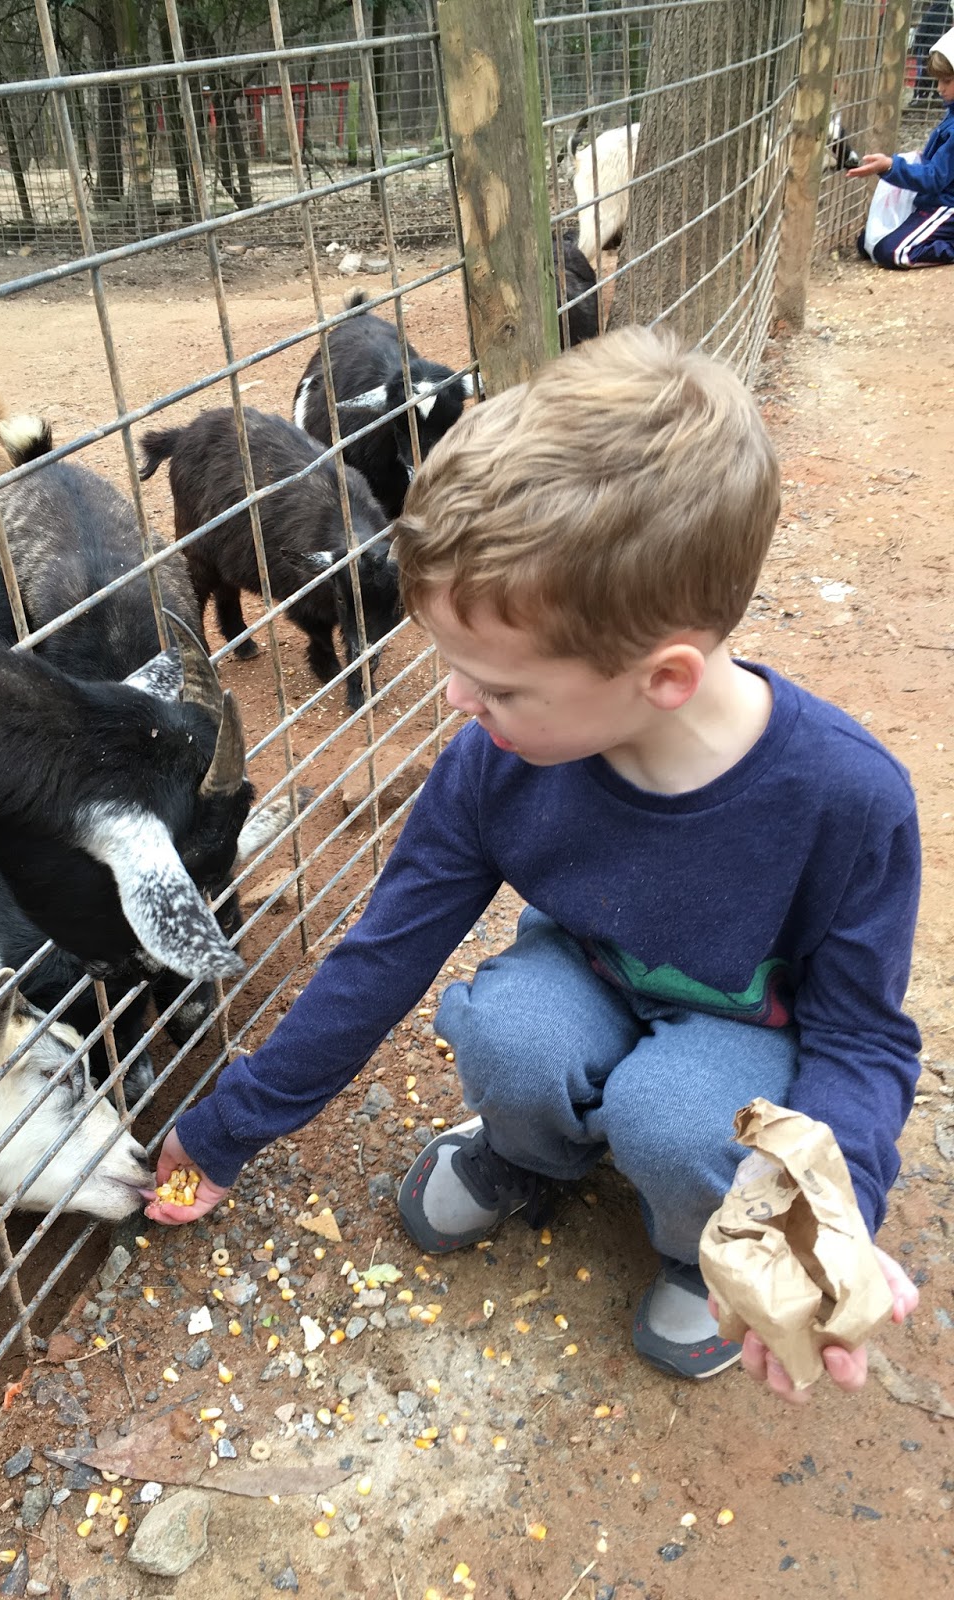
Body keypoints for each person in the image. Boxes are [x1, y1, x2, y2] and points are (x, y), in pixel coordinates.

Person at [146, 328, 921, 1402]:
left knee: (672, 1118)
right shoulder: (494, 763)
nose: (460, 704)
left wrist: (828, 1212)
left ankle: (702, 1242)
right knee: (510, 1031)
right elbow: (385, 953)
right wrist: (230, 1125)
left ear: (662, 678)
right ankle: (531, 1149)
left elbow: (863, 1035)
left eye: (498, 687)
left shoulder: (847, 799)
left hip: (744, 1029)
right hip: (597, 972)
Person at [851, 25, 954, 268]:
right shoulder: (951, 113)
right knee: (866, 243)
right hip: (933, 200)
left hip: (947, 207)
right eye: (938, 81)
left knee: (892, 252)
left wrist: (890, 167)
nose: (939, 88)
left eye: (947, 81)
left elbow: (935, 177)